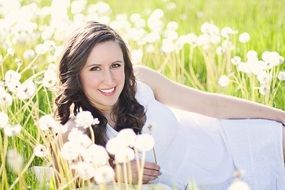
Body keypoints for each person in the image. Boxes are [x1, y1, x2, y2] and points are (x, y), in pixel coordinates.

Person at [55, 21, 285, 189]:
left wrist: (279, 115)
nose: (110, 79)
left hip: (233, 143)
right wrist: (116, 171)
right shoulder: (75, 133)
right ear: (76, 74)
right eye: (95, 68)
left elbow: (209, 104)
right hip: (203, 184)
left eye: (116, 65)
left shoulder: (141, 81)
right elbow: (67, 179)